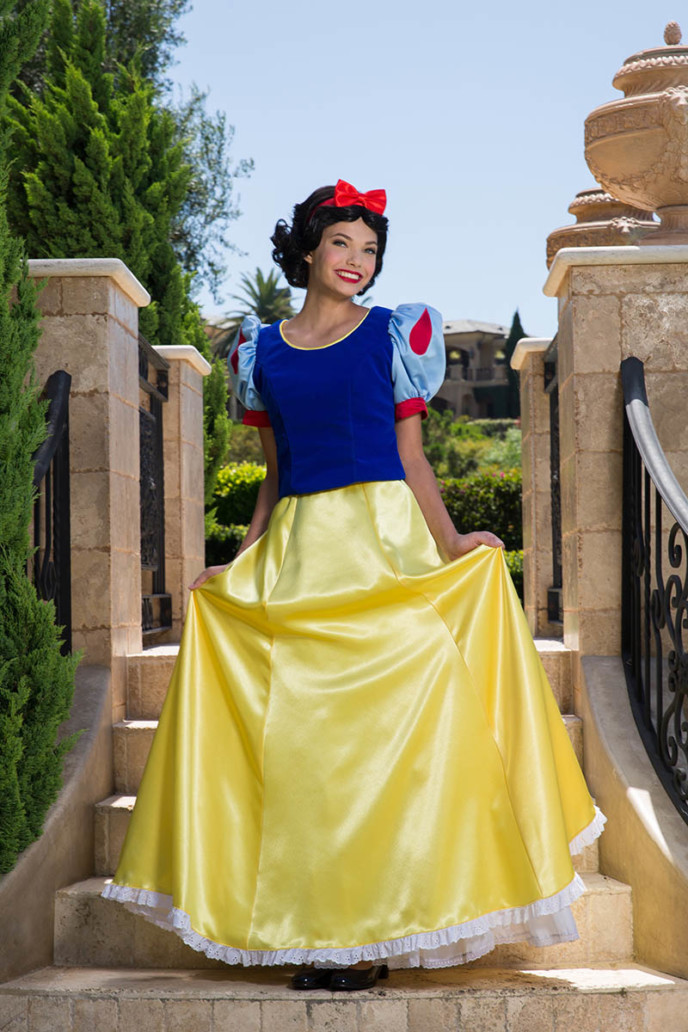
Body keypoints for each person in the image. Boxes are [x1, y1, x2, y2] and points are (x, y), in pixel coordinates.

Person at [103, 179, 604, 992]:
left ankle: (379, 931)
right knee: (312, 753)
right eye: (342, 243)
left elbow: (411, 457)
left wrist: (452, 543)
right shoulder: (259, 352)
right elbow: (273, 479)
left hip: (383, 544)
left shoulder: (393, 335)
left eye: (369, 250)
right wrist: (240, 560)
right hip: (301, 551)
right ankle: (321, 932)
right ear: (308, 250)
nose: (357, 261)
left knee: (388, 732)